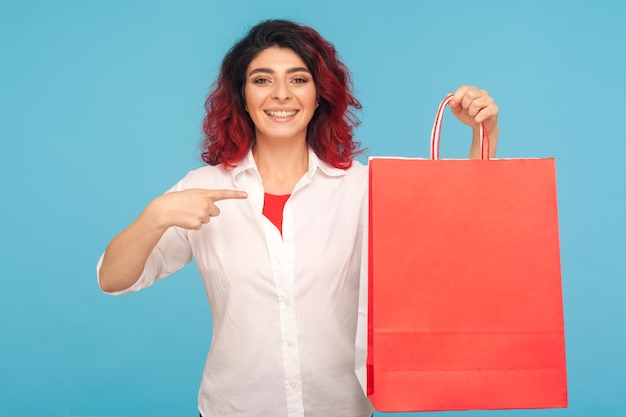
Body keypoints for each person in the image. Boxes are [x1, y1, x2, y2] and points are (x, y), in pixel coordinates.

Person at [97, 19, 499, 417]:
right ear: (241, 95)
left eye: (298, 79)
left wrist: (484, 135)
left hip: (342, 408)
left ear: (319, 94)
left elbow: (449, 251)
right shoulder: (201, 187)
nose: (281, 95)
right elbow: (112, 279)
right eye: (261, 80)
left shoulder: (361, 187)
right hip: (233, 409)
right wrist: (155, 216)